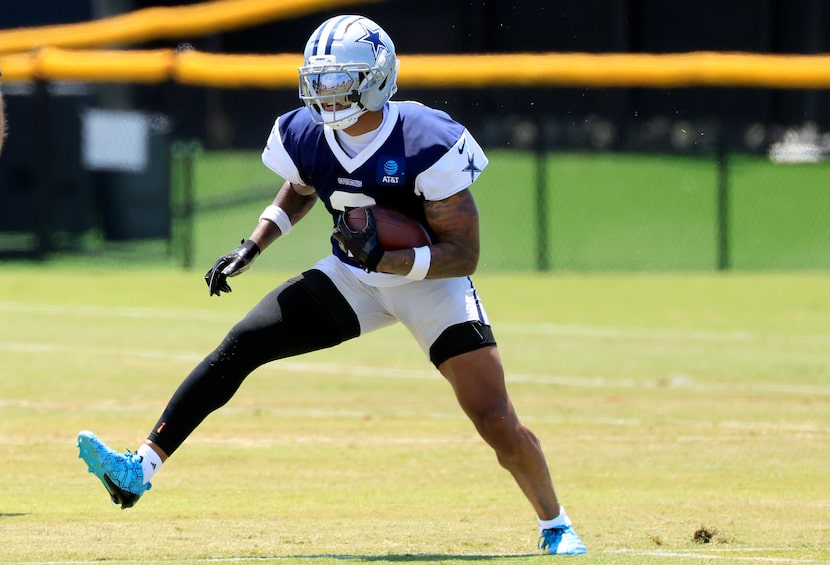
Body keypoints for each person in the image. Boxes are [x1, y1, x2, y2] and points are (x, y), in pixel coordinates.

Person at [77, 15, 586, 555]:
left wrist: (391, 260)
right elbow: (299, 187)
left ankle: (555, 523)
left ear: (376, 79)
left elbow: (465, 254)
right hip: (351, 276)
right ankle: (140, 467)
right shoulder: (304, 132)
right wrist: (254, 244)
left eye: (340, 80)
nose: (325, 92)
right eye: (318, 79)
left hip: (428, 281)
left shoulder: (425, 137)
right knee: (242, 344)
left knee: (492, 415)